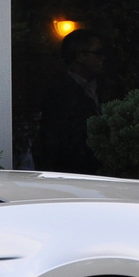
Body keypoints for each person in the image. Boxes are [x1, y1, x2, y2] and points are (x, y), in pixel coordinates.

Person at [36, 29, 104, 174]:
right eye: (97, 53)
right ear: (80, 55)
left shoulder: (105, 88)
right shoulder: (58, 94)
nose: (102, 59)